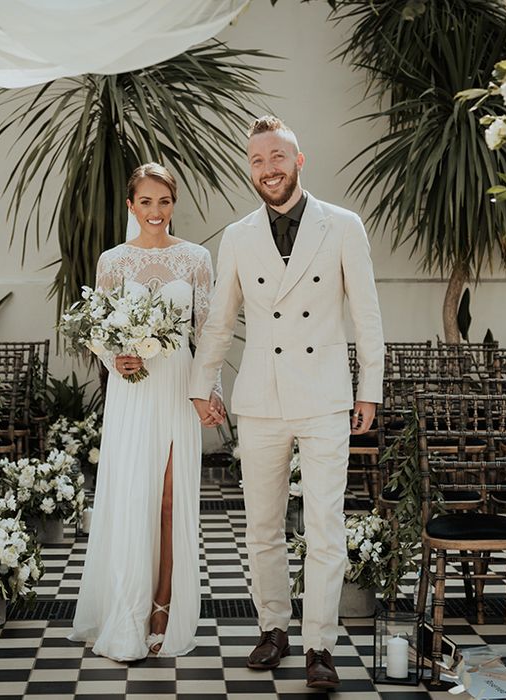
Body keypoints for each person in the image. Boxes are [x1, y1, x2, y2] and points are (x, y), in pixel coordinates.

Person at [189, 116, 384, 690]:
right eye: (257, 160)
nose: (268, 169)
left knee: (325, 526)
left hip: (326, 399)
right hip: (262, 398)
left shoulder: (343, 226)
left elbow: (366, 314)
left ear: (300, 161)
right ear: (249, 168)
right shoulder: (239, 235)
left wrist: (369, 388)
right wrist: (204, 387)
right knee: (263, 525)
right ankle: (273, 628)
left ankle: (320, 644)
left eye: (277, 157)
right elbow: (221, 321)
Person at [70, 163, 220, 661]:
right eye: (146, 202)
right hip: (133, 391)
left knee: (171, 501)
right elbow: (97, 328)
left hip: (178, 387)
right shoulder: (112, 261)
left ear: (172, 205)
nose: (156, 212)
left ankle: (163, 605)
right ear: (131, 206)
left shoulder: (196, 259)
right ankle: (128, 609)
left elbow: (207, 334)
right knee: (135, 499)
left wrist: (210, 391)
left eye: (164, 201)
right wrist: (116, 357)